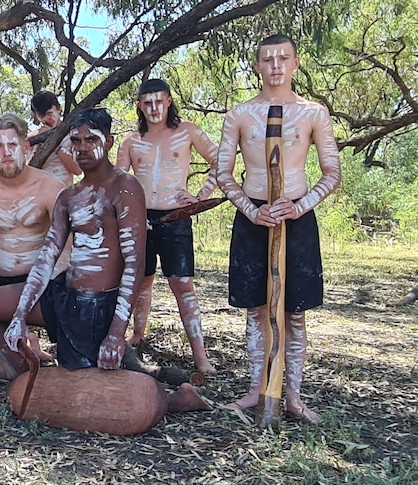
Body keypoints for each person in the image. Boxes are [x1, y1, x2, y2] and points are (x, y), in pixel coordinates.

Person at [0, 108, 148, 380]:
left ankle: (178, 396)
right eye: (76, 141)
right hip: (64, 298)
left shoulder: (125, 188)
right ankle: (25, 377)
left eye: (91, 140)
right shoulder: (70, 196)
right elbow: (46, 258)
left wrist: (116, 333)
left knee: (91, 388)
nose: (82, 148)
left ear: (108, 142)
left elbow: (135, 264)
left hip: (97, 305)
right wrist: (19, 315)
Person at [216, 34, 341, 424]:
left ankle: (294, 396)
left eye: (282, 58)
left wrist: (300, 206)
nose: (275, 65)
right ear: (256, 66)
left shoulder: (313, 113)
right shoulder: (239, 114)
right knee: (256, 309)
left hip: (298, 218)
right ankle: (257, 388)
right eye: (267, 59)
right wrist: (251, 212)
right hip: (254, 216)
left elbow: (332, 172)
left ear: (295, 63)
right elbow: (222, 173)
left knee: (295, 311)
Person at [115, 79, 218, 375]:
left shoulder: (187, 131)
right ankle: (136, 336)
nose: (154, 108)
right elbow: (120, 182)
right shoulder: (131, 140)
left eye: (159, 101)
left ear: (169, 101)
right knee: (139, 280)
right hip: (142, 219)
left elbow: (220, 162)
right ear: (139, 106)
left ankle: (201, 356)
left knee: (183, 284)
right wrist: (129, 213)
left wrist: (199, 196)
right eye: (147, 103)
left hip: (176, 217)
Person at [0, 113, 67, 362]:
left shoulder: (51, 187)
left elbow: (67, 244)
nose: (6, 152)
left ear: (26, 147)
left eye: (12, 145)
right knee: (12, 372)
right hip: (2, 280)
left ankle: (46, 341)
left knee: (73, 365)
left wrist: (56, 282)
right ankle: (17, 348)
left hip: (46, 281)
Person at [27, 91, 80, 186]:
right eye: (41, 116)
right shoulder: (32, 138)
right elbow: (27, 172)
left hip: (63, 195)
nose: (46, 119)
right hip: (38, 195)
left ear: (58, 108)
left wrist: (55, 144)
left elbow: (77, 170)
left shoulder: (73, 136)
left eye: (49, 113)